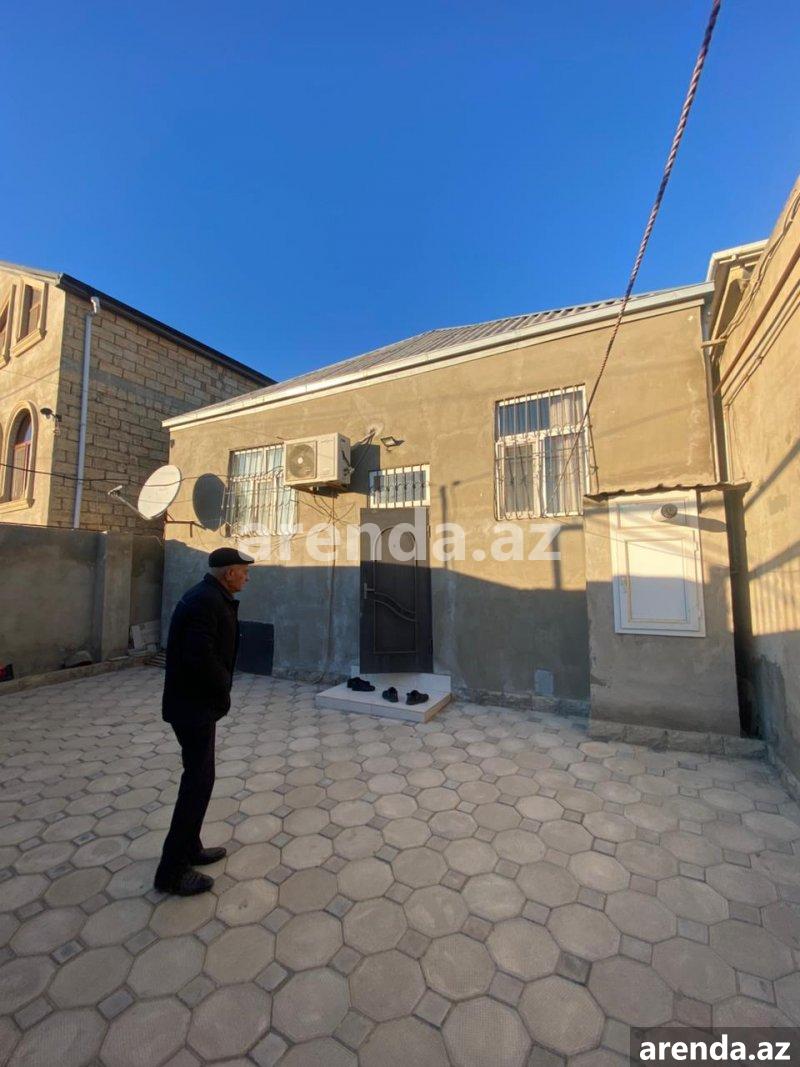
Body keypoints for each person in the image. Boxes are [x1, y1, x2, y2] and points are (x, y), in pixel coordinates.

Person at [154, 546, 254, 895]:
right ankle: (171, 871)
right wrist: (223, 686)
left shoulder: (210, 597)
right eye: (244, 572)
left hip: (195, 706)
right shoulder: (205, 602)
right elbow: (200, 658)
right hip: (192, 708)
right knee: (197, 784)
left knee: (199, 780)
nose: (246, 578)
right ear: (229, 574)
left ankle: (190, 847)